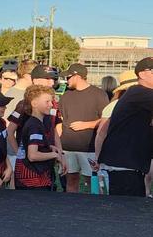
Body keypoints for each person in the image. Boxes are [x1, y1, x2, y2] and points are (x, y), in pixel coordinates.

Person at [97, 58, 153, 197]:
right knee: (125, 214)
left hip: (126, 166)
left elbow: (104, 129)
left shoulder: (136, 95)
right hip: (123, 167)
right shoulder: (140, 93)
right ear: (142, 74)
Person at [57, 63, 108, 193]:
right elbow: (61, 121)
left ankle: (96, 209)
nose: (66, 81)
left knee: (93, 181)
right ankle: (71, 207)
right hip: (67, 148)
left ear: (77, 76)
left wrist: (86, 125)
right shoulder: (66, 95)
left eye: (68, 77)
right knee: (71, 180)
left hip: (89, 148)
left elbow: (106, 120)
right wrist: (59, 148)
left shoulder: (99, 94)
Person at [14, 85, 65, 190]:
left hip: (34, 178)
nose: (51, 105)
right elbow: (33, 155)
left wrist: (49, 147)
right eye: (47, 102)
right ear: (34, 103)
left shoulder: (37, 123)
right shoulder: (34, 125)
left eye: (51, 101)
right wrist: (55, 155)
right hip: (33, 180)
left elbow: (33, 145)